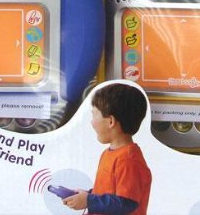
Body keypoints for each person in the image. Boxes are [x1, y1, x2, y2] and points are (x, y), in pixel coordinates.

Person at [64, 83, 152, 214]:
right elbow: (109, 192)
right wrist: (87, 195)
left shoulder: (128, 160)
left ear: (111, 121)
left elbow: (126, 203)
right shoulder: (109, 153)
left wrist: (89, 201)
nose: (91, 122)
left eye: (94, 115)